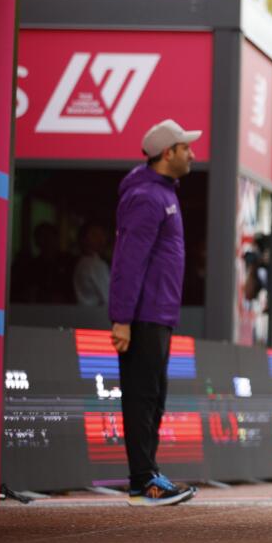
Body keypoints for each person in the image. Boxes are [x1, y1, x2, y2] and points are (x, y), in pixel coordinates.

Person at [108, 119, 201, 506]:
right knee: (143, 397)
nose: (192, 154)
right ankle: (143, 480)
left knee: (154, 397)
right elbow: (129, 262)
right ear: (168, 153)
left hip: (158, 314)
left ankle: (148, 477)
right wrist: (122, 318)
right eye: (186, 147)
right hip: (143, 315)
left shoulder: (164, 193)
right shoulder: (147, 197)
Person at [73, 222, 112, 307]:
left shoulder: (84, 263)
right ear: (83, 239)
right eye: (94, 235)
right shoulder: (94, 265)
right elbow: (109, 299)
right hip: (95, 316)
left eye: (102, 234)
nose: (101, 239)